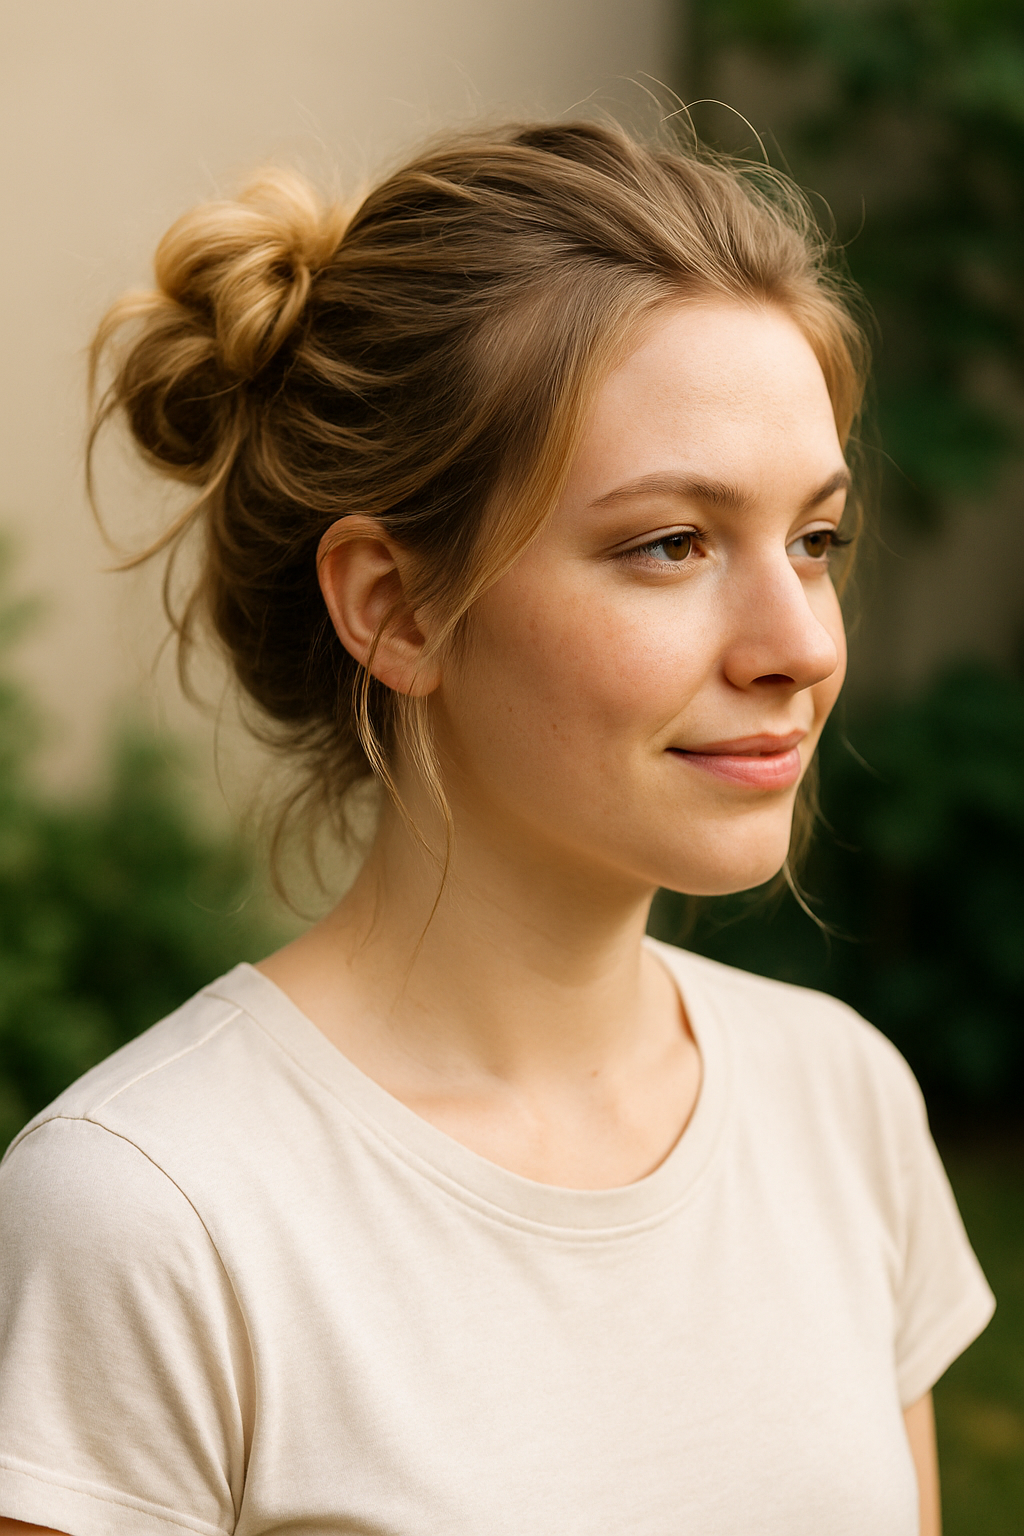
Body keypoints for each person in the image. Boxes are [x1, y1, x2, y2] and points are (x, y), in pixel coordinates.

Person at [0, 120, 993, 1536]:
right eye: (672, 543)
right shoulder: (152, 1216)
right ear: (396, 608)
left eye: (815, 541)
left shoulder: (842, 1104)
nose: (798, 645)